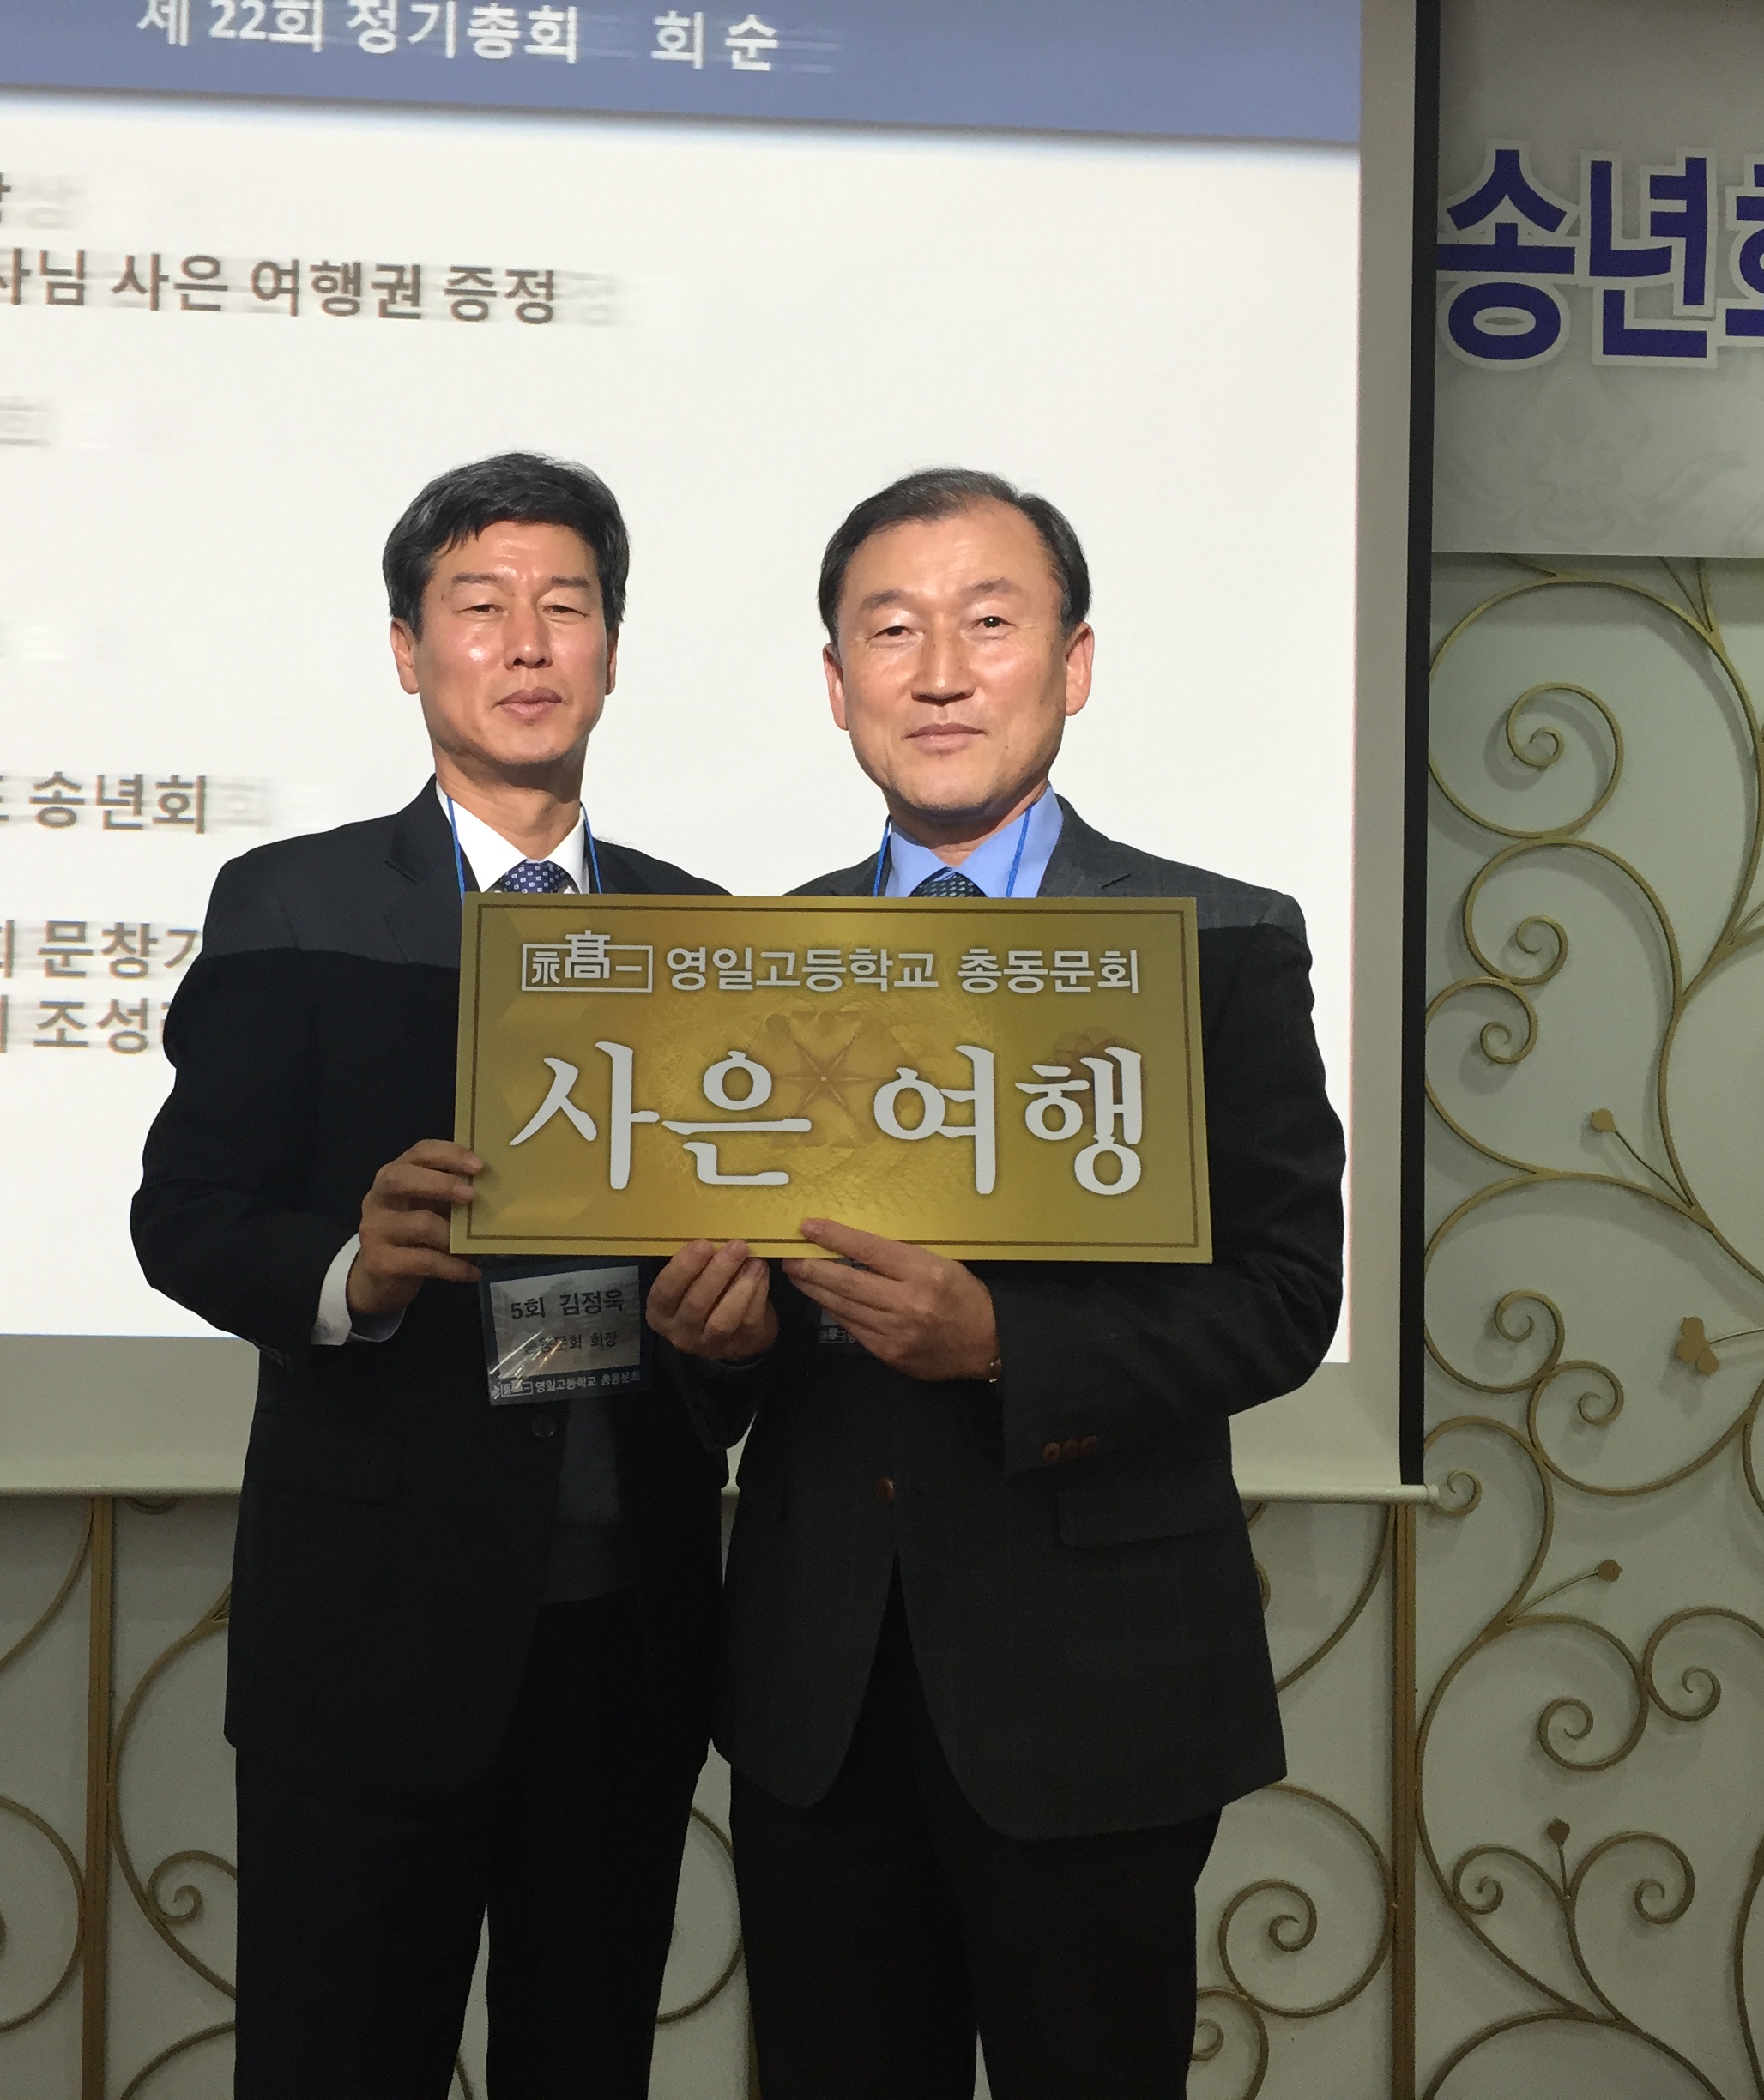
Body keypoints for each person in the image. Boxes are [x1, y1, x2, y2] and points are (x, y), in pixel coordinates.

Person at [647, 468, 1345, 2098]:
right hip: (819, 1692)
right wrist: (717, 1344)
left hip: (1096, 1688)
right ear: (839, 686)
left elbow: (1285, 1294)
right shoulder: (761, 959)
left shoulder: (1215, 941)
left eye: (989, 622)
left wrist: (1004, 1347)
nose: (941, 673)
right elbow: (734, 1341)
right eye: (892, 632)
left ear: (1074, 664)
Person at [131, 453, 730, 2099]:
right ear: (409, 651)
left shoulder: (697, 932)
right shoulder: (293, 902)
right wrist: (353, 1269)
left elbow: (734, 1266)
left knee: (587, 2064)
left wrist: (737, 1334)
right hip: (369, 1638)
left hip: (626, 1632)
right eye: (480, 607)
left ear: (612, 651)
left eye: (566, 607)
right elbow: (187, 1213)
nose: (527, 643)